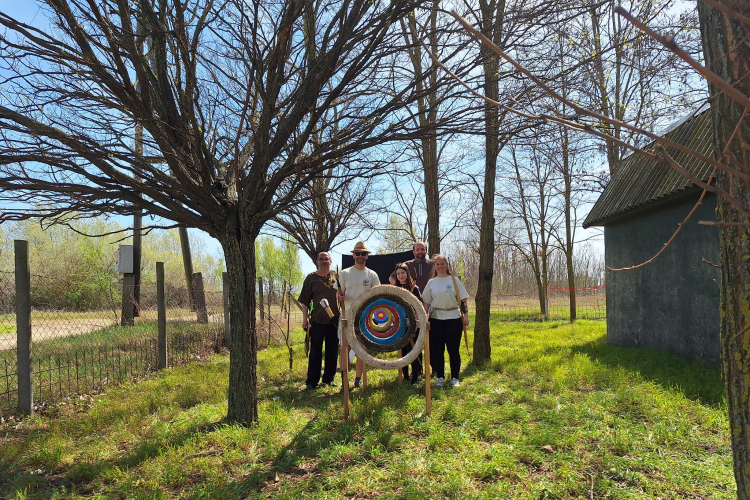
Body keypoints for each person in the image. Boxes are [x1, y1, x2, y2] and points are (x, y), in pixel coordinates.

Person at [336, 241, 380, 388]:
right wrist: (339, 298)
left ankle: (358, 380)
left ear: (367, 256)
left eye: (363, 254)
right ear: (353, 255)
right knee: (345, 348)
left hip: (364, 317)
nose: (360, 256)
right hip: (347, 315)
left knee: (362, 348)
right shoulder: (344, 273)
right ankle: (344, 379)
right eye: (358, 253)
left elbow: (377, 295)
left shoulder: (372, 274)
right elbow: (339, 293)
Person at [421, 254, 469, 388]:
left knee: (453, 350)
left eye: (443, 264)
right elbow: (426, 302)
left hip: (454, 319)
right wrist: (425, 317)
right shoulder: (431, 283)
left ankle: (455, 377)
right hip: (436, 320)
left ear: (447, 265)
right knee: (438, 350)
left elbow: (463, 300)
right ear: (434, 266)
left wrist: (466, 315)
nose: (440, 266)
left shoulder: (454, 281)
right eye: (437, 264)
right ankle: (440, 377)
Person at [298, 252, 340, 390]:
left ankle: (328, 379)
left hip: (334, 322)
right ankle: (312, 381)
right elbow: (305, 301)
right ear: (317, 261)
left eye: (326, 259)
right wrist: (305, 320)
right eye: (321, 259)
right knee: (315, 353)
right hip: (316, 321)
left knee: (332, 352)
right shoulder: (311, 278)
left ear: (330, 261)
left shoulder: (336, 276)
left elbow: (343, 294)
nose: (324, 261)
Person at [393, 262, 423, 386]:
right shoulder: (395, 289)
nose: (400, 275)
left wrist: (414, 322)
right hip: (400, 325)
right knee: (403, 350)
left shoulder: (414, 288)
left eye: (403, 273)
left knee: (414, 349)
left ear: (407, 273)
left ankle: (415, 376)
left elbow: (419, 306)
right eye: (398, 273)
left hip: (412, 324)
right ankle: (405, 375)